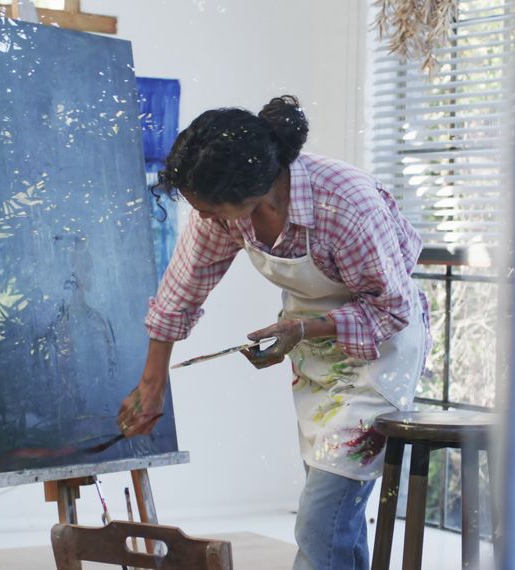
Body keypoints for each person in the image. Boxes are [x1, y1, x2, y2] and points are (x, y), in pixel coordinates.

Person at [116, 95, 429, 569]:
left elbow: (391, 309)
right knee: (335, 520)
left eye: (211, 210)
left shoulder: (345, 204)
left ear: (254, 192)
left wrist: (305, 328)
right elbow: (182, 288)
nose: (204, 219)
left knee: (320, 523)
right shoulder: (226, 209)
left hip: (379, 357)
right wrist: (152, 383)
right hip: (316, 361)